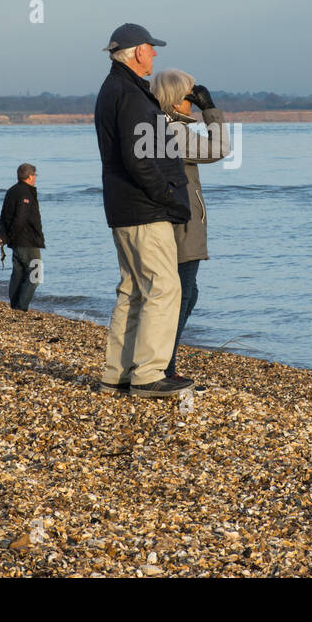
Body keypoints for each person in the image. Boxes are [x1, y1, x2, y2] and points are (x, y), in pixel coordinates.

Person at [94, 23, 194, 399]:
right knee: (164, 287)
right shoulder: (132, 95)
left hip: (123, 208)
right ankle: (149, 374)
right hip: (143, 210)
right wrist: (168, 198)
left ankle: (117, 374)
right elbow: (140, 161)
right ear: (137, 51)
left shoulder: (113, 90)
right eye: (152, 49)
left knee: (133, 290)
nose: (154, 55)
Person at [150, 69, 231, 383]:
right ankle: (164, 369)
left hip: (173, 220)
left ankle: (161, 364)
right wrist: (210, 109)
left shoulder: (156, 127)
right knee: (181, 296)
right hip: (182, 225)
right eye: (190, 97)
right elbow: (220, 149)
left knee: (186, 293)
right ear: (175, 99)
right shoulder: (173, 132)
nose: (192, 103)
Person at [0, 163, 45, 311]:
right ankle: (21, 307)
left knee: (18, 275)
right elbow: (20, 219)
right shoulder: (26, 193)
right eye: (35, 175)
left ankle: (15, 306)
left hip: (16, 241)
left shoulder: (12, 191)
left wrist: (3, 235)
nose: (36, 178)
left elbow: (3, 216)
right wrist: (8, 236)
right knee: (35, 277)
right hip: (28, 241)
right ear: (30, 176)